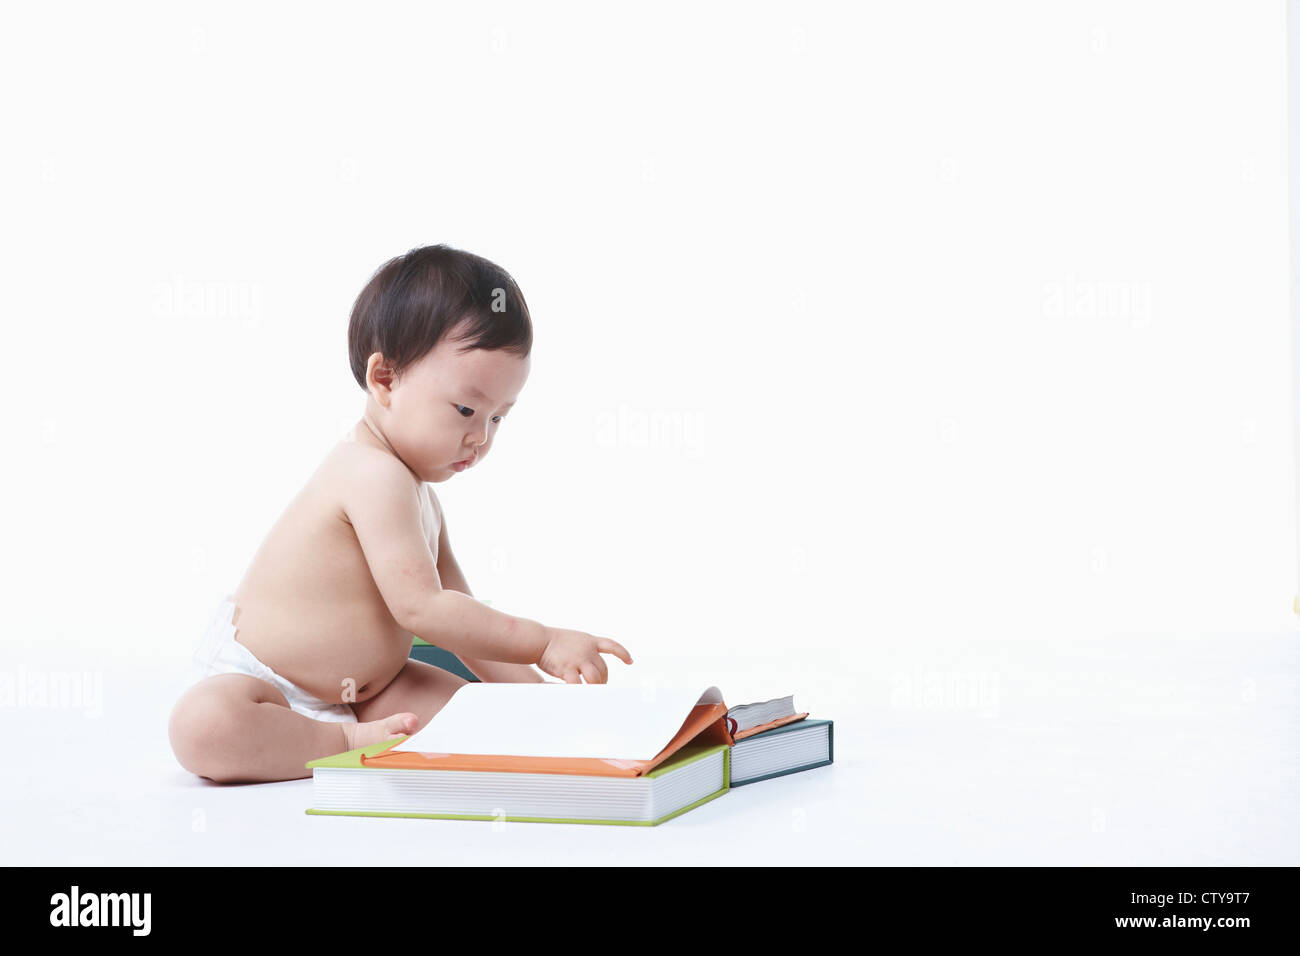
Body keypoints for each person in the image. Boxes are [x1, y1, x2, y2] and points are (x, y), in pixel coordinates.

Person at [168, 244, 633, 784]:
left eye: (499, 418)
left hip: (378, 693)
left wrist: (535, 697)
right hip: (268, 690)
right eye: (465, 409)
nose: (479, 437)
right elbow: (423, 610)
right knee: (203, 727)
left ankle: (355, 734)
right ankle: (335, 741)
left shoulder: (420, 495)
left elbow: (461, 620)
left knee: (480, 718)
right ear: (385, 380)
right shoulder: (369, 473)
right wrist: (544, 640)